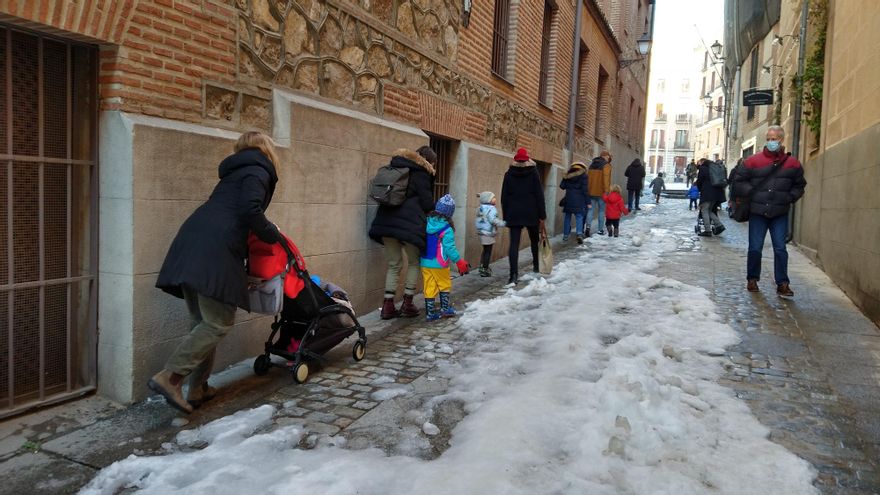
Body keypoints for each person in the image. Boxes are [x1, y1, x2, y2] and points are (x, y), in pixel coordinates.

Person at [150, 131, 283, 414]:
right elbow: (250, 209)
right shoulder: (258, 170)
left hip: (192, 240)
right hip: (215, 249)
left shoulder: (233, 172)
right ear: (267, 149)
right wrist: (273, 235)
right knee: (217, 322)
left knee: (202, 322)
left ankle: (198, 388)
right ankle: (171, 377)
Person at [733, 125, 806, 296]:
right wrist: (751, 192)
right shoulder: (752, 161)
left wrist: (789, 198)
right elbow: (738, 182)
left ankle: (783, 283)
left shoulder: (793, 164)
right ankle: (752, 279)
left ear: (782, 140)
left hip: (779, 212)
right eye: (769, 139)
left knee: (780, 248)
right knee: (755, 248)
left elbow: (799, 185)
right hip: (758, 211)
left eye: (775, 139)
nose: (771, 142)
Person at [368, 146, 437, 319]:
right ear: (429, 161)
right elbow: (427, 203)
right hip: (410, 226)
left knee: (394, 264)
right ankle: (407, 303)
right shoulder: (422, 173)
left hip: (386, 222)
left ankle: (388, 305)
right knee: (414, 262)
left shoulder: (397, 167)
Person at [501, 147, 546, 286]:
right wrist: (542, 215)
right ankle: (537, 266)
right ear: (527, 159)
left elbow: (504, 197)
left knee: (514, 244)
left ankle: (513, 275)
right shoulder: (533, 173)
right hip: (531, 212)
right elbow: (539, 195)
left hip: (514, 213)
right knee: (534, 240)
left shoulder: (508, 174)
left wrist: (506, 215)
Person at [420, 194, 470, 321]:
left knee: (429, 285)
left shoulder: (427, 221)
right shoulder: (446, 228)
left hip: (425, 261)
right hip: (439, 263)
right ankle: (445, 308)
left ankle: (430, 313)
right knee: (444, 284)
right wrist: (458, 261)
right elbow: (449, 248)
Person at [474, 191, 506, 277]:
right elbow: (493, 220)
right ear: (488, 199)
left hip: (481, 232)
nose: (495, 199)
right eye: (493, 197)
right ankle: (485, 269)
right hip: (488, 233)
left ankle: (482, 266)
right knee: (488, 251)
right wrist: (504, 223)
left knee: (485, 250)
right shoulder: (491, 209)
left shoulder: (480, 208)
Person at [559, 161, 590, 244]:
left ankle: (565, 236)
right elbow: (585, 190)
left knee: (567, 217)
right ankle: (579, 234)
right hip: (579, 200)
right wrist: (588, 202)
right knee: (579, 216)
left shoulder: (568, 175)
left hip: (569, 199)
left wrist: (565, 177)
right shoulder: (584, 176)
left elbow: (562, 186)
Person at [695, 159, 727, 236]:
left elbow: (699, 180)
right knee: (709, 210)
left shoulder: (703, 168)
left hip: (707, 192)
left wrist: (699, 189)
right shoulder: (715, 167)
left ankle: (707, 230)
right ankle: (719, 225)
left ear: (702, 162)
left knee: (704, 210)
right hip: (717, 193)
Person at [586, 150, 612, 236]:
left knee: (590, 210)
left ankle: (588, 227)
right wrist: (607, 191)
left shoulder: (592, 165)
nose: (609, 158)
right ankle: (600, 230)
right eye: (608, 156)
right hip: (601, 192)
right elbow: (606, 179)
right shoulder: (606, 166)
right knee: (601, 211)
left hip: (591, 191)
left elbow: (588, 179)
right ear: (605, 156)